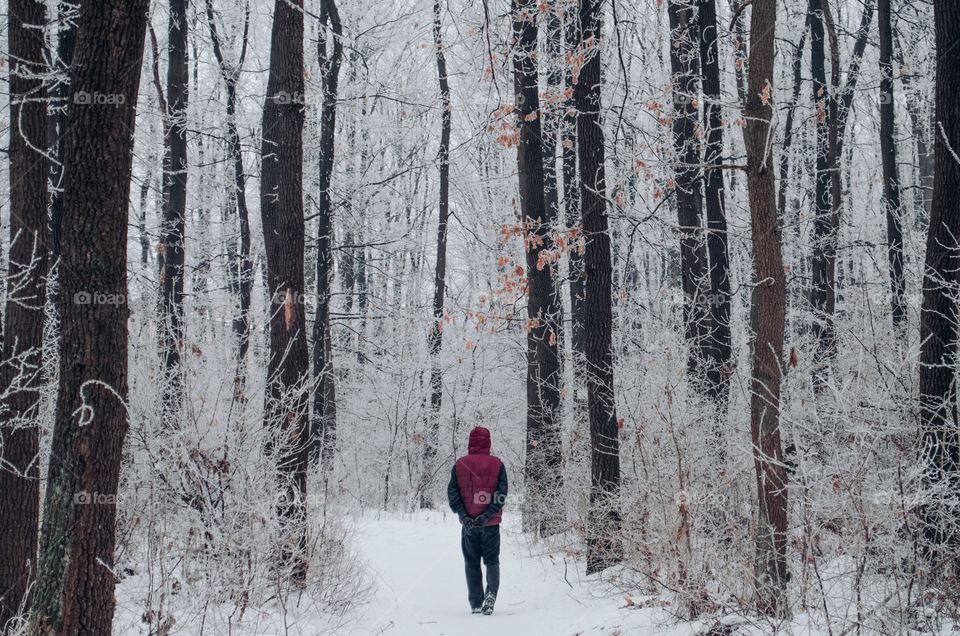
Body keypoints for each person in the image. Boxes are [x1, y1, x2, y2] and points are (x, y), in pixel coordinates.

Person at [447, 426, 508, 615]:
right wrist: (486, 515)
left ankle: (476, 603)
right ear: (488, 442)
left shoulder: (460, 464)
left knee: (471, 562)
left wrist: (465, 516)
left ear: (470, 442)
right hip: (490, 524)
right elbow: (501, 494)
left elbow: (452, 493)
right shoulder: (497, 464)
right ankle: (491, 594)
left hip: (468, 525)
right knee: (491, 560)